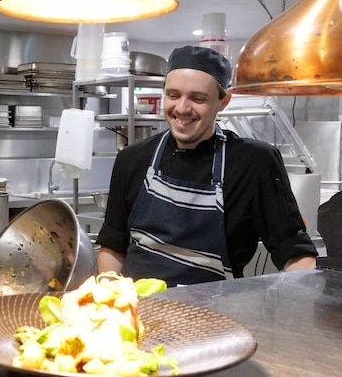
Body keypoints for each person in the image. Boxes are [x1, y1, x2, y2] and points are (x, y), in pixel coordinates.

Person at [95, 45, 316, 287]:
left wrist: (301, 303)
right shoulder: (132, 158)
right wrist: (110, 301)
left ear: (224, 101)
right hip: (138, 312)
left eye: (198, 98)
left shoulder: (254, 163)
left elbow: (294, 253)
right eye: (173, 95)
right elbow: (113, 246)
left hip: (215, 316)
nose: (182, 108)